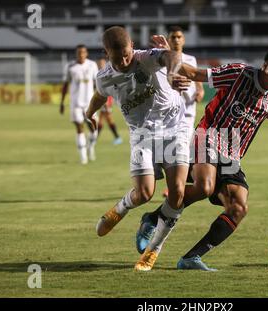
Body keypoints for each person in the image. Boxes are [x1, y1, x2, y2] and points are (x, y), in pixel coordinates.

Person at [136, 46, 268, 271]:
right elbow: (197, 74)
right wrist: (169, 58)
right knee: (205, 187)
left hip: (231, 154)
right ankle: (153, 219)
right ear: (266, 66)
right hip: (207, 137)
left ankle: (189, 257)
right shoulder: (238, 74)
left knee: (238, 208)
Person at [85, 26, 192, 271]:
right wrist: (89, 113)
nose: (123, 61)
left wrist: (173, 72)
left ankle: (152, 251)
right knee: (144, 194)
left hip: (174, 129)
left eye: (126, 54)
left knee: (176, 193)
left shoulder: (146, 58)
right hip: (142, 135)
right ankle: (119, 209)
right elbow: (100, 95)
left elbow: (170, 56)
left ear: (132, 45)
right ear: (106, 53)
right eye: (117, 57)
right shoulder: (104, 76)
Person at [151, 27, 205, 199]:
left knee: (180, 149)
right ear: (169, 39)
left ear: (184, 40)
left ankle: (174, 186)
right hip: (167, 113)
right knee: (168, 148)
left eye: (179, 37)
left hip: (187, 112)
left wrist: (200, 92)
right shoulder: (160, 60)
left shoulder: (190, 59)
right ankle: (165, 175)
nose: (176, 40)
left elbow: (198, 83)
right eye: (173, 37)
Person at [60, 44, 99, 164]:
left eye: (83, 52)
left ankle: (91, 146)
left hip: (90, 103)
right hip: (76, 103)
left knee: (93, 129)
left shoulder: (92, 65)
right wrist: (62, 102)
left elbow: (97, 84)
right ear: (76, 54)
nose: (81, 54)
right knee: (79, 127)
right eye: (78, 53)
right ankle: (83, 158)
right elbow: (65, 84)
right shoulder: (70, 66)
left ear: (86, 53)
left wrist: (101, 100)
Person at [95, 58, 123, 145]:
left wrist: (107, 102)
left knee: (105, 118)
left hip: (107, 99)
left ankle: (95, 138)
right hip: (102, 99)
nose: (100, 65)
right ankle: (116, 137)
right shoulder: (99, 74)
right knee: (105, 119)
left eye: (102, 64)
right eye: (99, 64)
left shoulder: (107, 74)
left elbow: (111, 88)